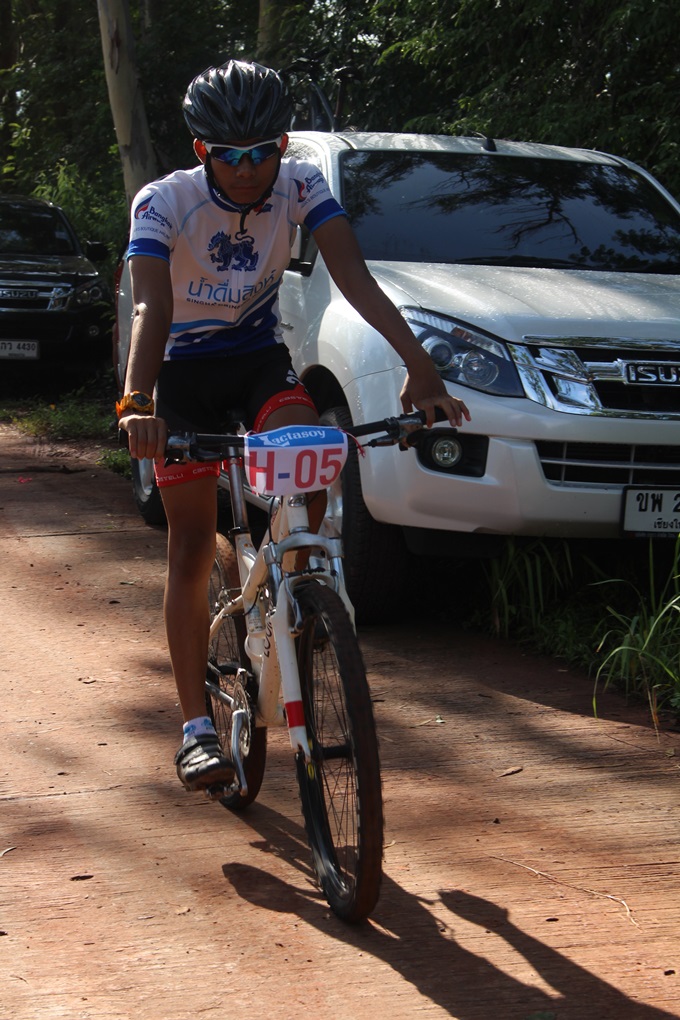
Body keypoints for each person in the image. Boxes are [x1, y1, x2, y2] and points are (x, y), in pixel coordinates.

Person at [117, 59, 470, 793]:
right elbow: (151, 305)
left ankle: (300, 586)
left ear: (282, 145)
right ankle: (196, 728)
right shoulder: (164, 201)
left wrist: (420, 366)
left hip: (255, 361)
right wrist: (137, 402)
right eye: (230, 156)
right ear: (201, 151)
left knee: (311, 445)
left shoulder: (301, 184)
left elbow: (355, 277)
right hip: (179, 375)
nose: (248, 171)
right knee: (190, 545)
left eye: (263, 153)